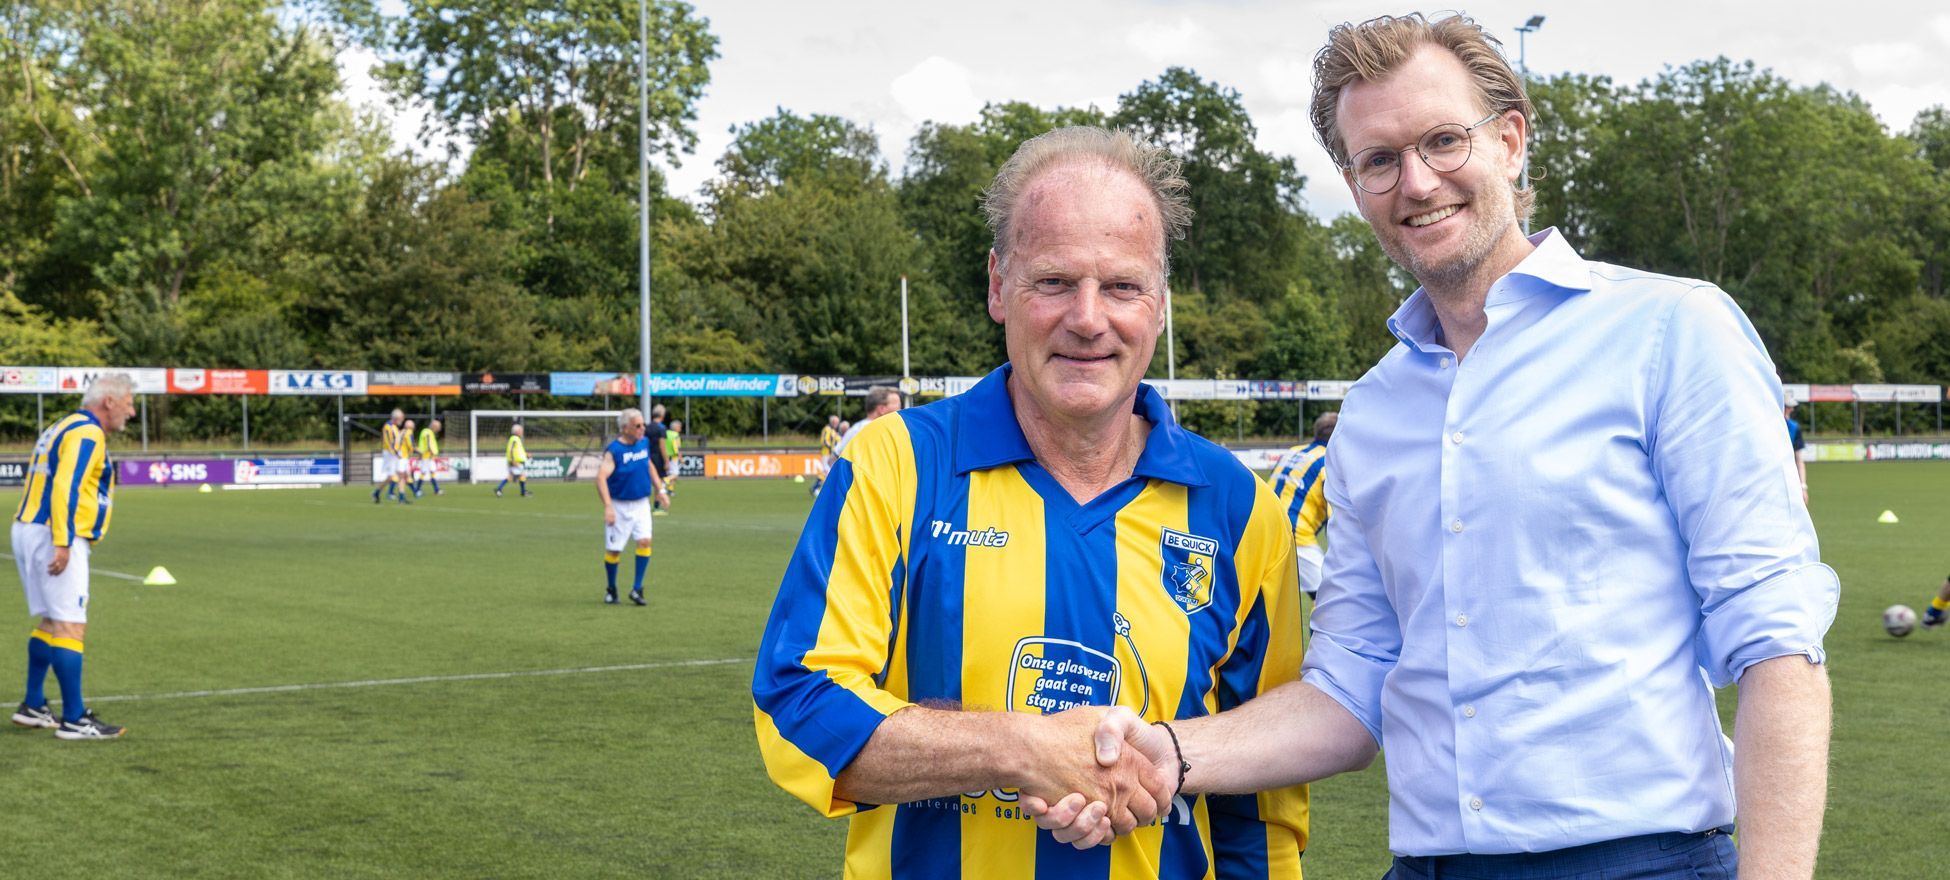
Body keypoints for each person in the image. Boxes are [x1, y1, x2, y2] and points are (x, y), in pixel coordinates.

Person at [1037, 14, 1838, 880]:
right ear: (1353, 185)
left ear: (1511, 141)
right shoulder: (1375, 411)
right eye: (1380, 159)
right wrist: (1168, 754)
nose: (1416, 182)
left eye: (1443, 142)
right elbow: (1348, 693)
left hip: (1641, 859)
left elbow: (1777, 644)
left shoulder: (1671, 331)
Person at [752, 126, 1309, 878]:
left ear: (1160, 305)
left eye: (1121, 286)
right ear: (997, 286)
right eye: (1053, 281)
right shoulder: (897, 465)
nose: (1087, 318)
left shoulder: (1240, 508)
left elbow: (1264, 801)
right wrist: (1020, 747)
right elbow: (799, 706)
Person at [10, 373, 136, 739]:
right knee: (70, 624)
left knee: (52, 620)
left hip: (30, 527)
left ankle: (33, 705)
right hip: (54, 532)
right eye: (127, 402)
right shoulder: (88, 431)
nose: (131, 411)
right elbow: (66, 484)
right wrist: (63, 541)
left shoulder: (63, 424)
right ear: (108, 401)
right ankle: (75, 719)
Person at [595, 408, 670, 606]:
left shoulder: (643, 443)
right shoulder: (614, 451)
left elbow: (648, 465)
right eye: (638, 426)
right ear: (625, 428)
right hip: (620, 505)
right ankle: (611, 589)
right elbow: (601, 477)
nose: (642, 428)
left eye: (643, 424)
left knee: (645, 541)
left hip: (641, 504)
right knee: (614, 551)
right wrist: (608, 506)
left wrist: (660, 489)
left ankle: (637, 589)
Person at [1266, 412, 1336, 598]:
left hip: (1264, 530)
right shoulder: (1328, 461)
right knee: (1330, 600)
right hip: (1294, 537)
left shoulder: (1292, 451)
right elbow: (1336, 519)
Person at [831, 386, 901, 457]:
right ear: (881, 409)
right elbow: (833, 459)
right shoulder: (861, 430)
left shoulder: (894, 430)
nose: (901, 409)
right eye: (896, 404)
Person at [373, 409, 411, 504]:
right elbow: (389, 442)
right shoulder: (388, 427)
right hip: (391, 454)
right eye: (402, 417)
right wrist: (396, 453)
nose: (403, 420)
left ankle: (401, 497)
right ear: (397, 418)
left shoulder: (394, 427)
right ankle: (377, 492)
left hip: (397, 453)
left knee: (401, 474)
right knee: (391, 477)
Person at [809, 414, 843, 498]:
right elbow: (824, 441)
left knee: (828, 471)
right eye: (835, 422)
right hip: (827, 454)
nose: (836, 424)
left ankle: (818, 488)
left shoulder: (834, 431)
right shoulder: (827, 429)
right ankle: (815, 487)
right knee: (827, 471)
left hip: (831, 454)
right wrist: (832, 449)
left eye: (837, 422)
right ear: (832, 422)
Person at [647, 405, 671, 513]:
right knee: (659, 482)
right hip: (657, 457)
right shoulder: (661, 428)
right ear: (662, 415)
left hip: (647, 455)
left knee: (647, 481)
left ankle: (645, 505)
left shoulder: (647, 427)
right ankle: (656, 507)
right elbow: (662, 445)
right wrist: (666, 460)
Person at [413, 418, 445, 497]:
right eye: (438, 427)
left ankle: (436, 490)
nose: (439, 429)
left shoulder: (428, 432)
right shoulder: (427, 432)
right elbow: (428, 444)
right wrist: (430, 453)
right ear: (434, 427)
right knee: (424, 472)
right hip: (427, 456)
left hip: (429, 456)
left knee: (432, 471)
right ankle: (417, 490)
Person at [495, 424, 529, 497]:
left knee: (512, 476)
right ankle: (523, 492)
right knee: (522, 475)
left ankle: (499, 488)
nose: (522, 432)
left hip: (516, 460)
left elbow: (518, 451)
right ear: (516, 431)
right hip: (516, 461)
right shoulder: (514, 438)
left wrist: (526, 455)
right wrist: (512, 460)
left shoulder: (516, 439)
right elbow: (511, 450)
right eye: (520, 430)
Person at [1785, 403, 1808, 506]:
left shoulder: (1794, 428)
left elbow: (1799, 460)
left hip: (1789, 480)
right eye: (1788, 407)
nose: (1791, 409)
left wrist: (1803, 486)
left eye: (1790, 407)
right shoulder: (1766, 425)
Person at [662, 418, 683, 495]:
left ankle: (670, 490)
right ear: (676, 427)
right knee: (675, 474)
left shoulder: (665, 433)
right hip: (673, 457)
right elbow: (677, 448)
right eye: (679, 427)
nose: (680, 429)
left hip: (664, 456)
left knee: (669, 473)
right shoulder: (676, 435)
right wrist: (680, 458)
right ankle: (665, 481)